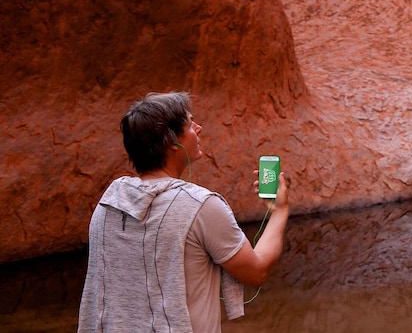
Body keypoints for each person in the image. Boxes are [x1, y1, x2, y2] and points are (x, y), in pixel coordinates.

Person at [78, 92, 289, 332]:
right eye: (190, 124)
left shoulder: (108, 204)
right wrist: (280, 211)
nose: (198, 128)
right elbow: (256, 271)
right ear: (172, 144)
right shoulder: (201, 206)